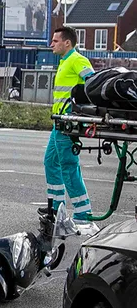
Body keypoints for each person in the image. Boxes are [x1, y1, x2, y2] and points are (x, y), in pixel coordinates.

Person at [41, 26, 95, 221]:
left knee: (68, 165)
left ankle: (83, 212)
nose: (51, 44)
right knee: (51, 161)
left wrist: (76, 111)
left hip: (68, 123)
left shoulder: (77, 60)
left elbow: (92, 82)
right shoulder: (65, 61)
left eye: (55, 41)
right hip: (59, 123)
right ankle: (56, 207)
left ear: (67, 43)